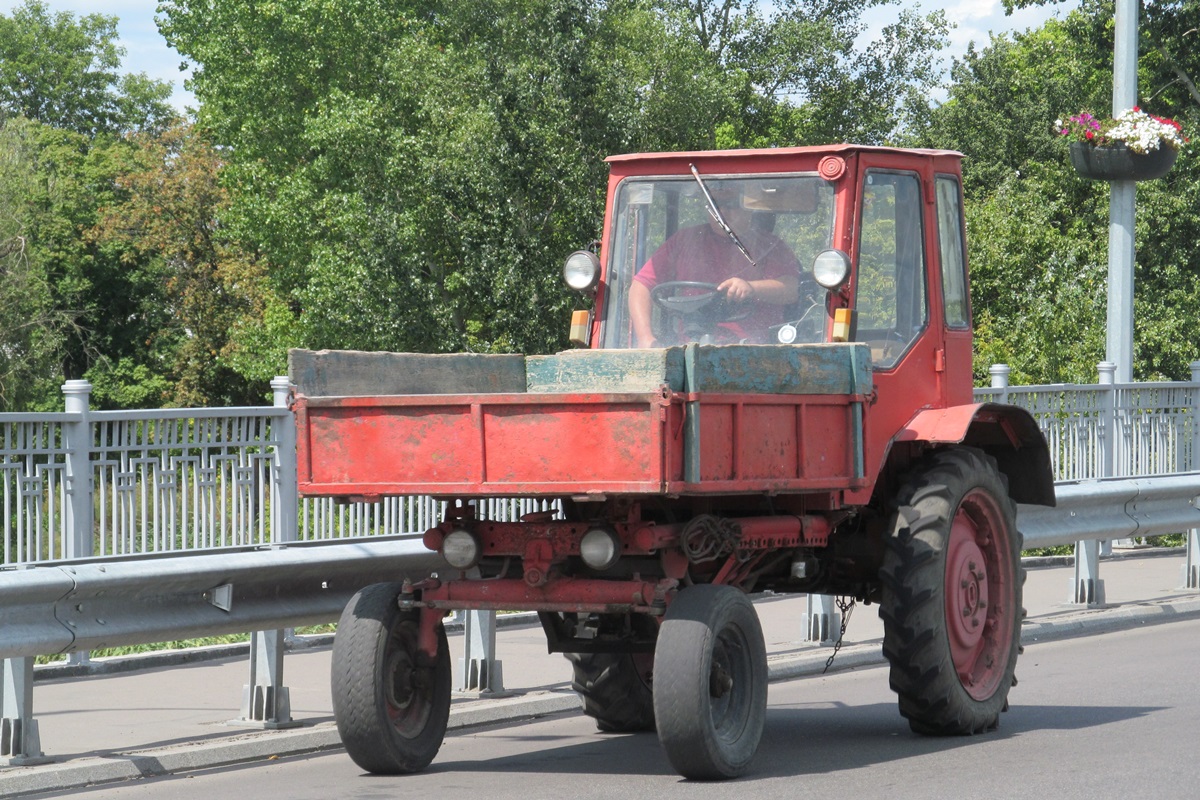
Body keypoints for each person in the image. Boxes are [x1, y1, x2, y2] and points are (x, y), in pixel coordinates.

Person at [628, 184, 802, 347]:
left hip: (752, 351)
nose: (722, 212)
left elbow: (791, 289)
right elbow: (641, 285)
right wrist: (646, 340)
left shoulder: (769, 245)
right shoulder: (685, 240)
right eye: (715, 205)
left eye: (731, 205)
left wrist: (751, 288)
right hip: (688, 349)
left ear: (748, 209)